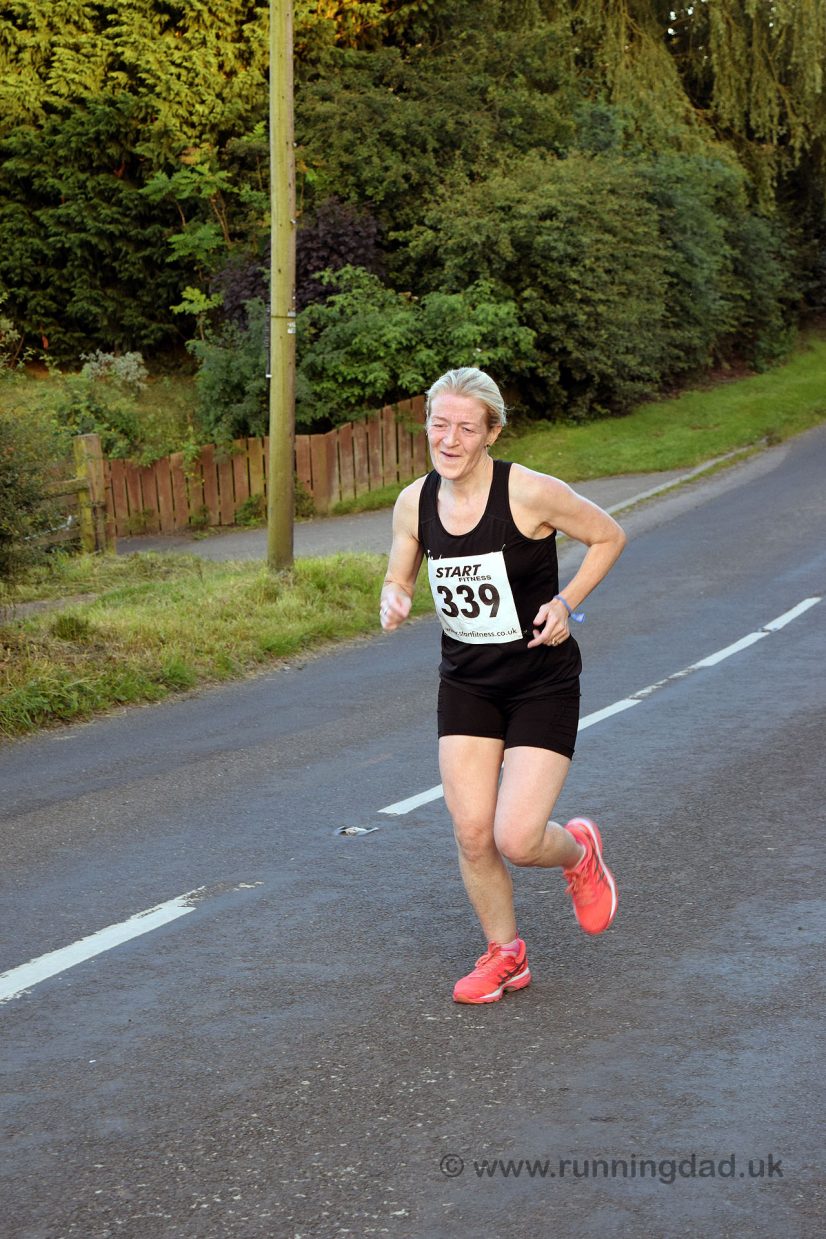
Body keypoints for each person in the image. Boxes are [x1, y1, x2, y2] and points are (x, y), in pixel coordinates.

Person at [379, 367, 627, 1004]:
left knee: (517, 837)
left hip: (540, 681)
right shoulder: (415, 500)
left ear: (491, 432)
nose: (450, 438)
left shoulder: (531, 493)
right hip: (467, 682)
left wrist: (567, 602)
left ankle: (577, 857)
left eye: (466, 427)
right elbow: (401, 564)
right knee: (471, 833)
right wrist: (395, 594)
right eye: (440, 424)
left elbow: (607, 534)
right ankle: (505, 954)